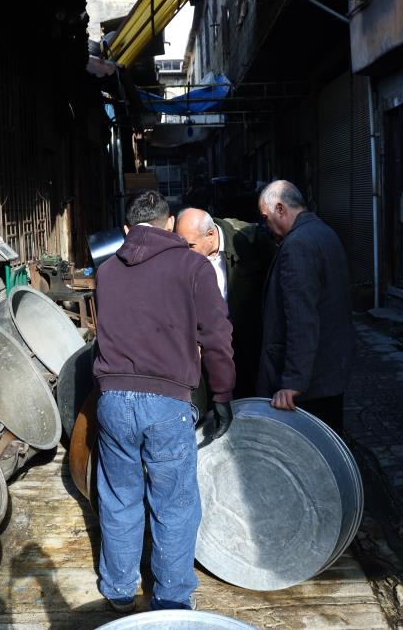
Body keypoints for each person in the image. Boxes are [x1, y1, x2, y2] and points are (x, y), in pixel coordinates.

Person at [92, 189, 235, 612]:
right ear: (169, 224)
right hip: (167, 403)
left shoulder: (106, 271)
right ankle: (170, 596)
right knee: (173, 503)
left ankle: (119, 588)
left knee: (119, 497)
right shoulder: (194, 267)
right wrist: (222, 393)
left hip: (113, 400)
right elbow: (217, 336)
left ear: (126, 229)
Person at [257, 180, 354, 435]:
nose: (265, 225)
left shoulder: (298, 245)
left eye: (265, 217)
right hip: (329, 372)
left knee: (311, 452)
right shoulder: (324, 231)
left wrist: (293, 381)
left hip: (311, 384)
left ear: (280, 209)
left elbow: (302, 319)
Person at [175, 208, 273, 398]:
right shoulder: (183, 257)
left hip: (248, 342)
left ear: (211, 235)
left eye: (191, 245)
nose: (185, 252)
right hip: (208, 345)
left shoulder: (248, 242)